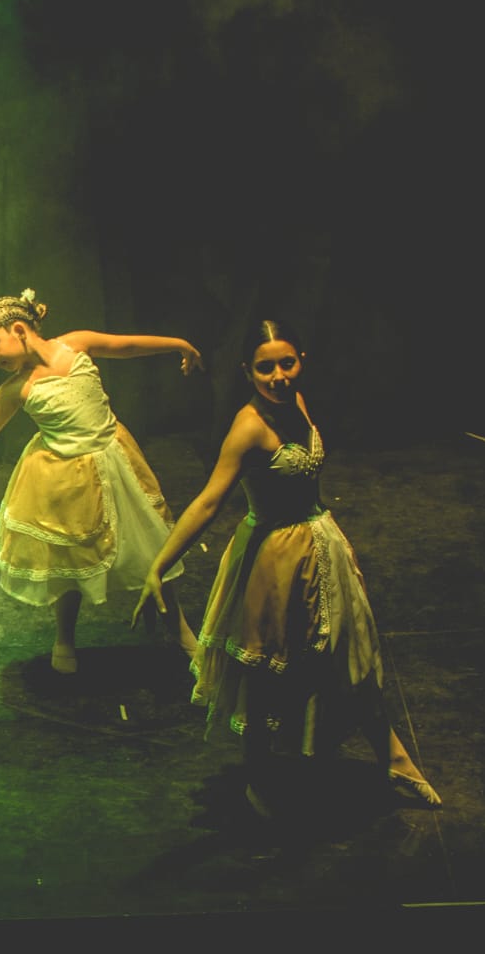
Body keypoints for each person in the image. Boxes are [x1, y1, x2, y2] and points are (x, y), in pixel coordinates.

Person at [135, 320, 441, 815]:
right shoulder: (249, 427)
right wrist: (159, 565)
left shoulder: (295, 402)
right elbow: (210, 501)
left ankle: (395, 758)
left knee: (350, 653)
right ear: (247, 372)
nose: (278, 376)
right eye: (265, 368)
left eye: (287, 363)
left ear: (301, 361)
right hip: (274, 558)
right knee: (266, 673)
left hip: (322, 545)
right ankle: (257, 779)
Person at [0, 290, 201, 674]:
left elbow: (127, 345)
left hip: (115, 460)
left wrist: (177, 344)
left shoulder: (77, 345)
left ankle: (180, 630)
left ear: (19, 330)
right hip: (67, 477)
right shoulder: (17, 388)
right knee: (69, 559)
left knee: (150, 545)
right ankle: (64, 637)